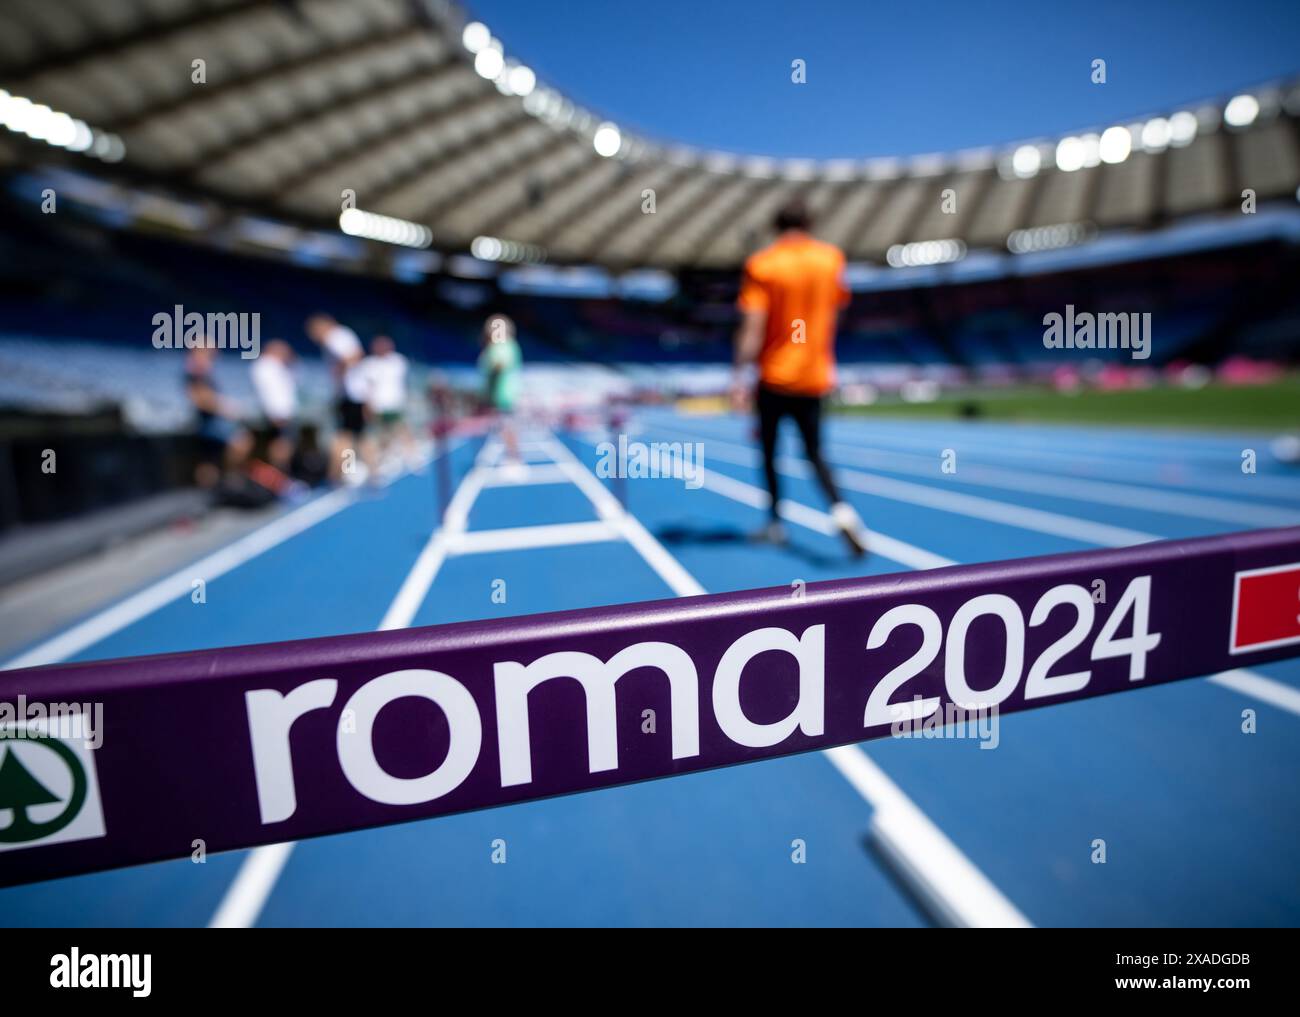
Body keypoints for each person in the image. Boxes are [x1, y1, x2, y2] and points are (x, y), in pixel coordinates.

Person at [731, 198, 869, 556]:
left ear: (776, 226)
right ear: (810, 223)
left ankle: (776, 523)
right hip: (814, 376)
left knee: (769, 453)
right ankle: (842, 512)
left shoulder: (764, 264)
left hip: (775, 377)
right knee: (815, 452)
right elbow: (835, 311)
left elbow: (753, 327)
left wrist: (738, 376)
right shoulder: (830, 259)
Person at [305, 313, 373, 483]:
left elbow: (354, 355)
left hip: (349, 395)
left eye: (314, 332)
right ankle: (371, 473)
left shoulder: (334, 337)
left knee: (344, 436)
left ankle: (339, 474)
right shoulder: (343, 334)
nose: (314, 338)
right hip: (357, 394)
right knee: (359, 435)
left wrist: (339, 372)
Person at [184, 346, 252, 490]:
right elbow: (201, 400)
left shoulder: (204, 372)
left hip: (213, 423)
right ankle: (228, 481)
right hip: (208, 424)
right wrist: (226, 408)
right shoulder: (196, 371)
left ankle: (219, 487)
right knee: (239, 443)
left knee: (209, 461)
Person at [360, 335, 416, 469]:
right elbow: (368, 386)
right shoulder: (369, 364)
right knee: (379, 434)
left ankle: (412, 455)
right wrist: (368, 405)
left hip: (394, 403)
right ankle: (381, 458)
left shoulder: (398, 361)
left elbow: (402, 382)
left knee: (401, 429)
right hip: (378, 405)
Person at [479, 312, 522, 464]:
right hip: (500, 395)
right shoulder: (499, 346)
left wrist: (493, 367)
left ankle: (514, 458)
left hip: (505, 395)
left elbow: (501, 364)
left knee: (507, 427)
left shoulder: (503, 346)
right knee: (503, 427)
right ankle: (512, 456)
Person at [249, 338, 298, 473]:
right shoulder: (266, 366)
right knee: (281, 445)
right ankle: (277, 475)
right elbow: (271, 392)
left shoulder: (274, 366)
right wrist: (278, 414)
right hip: (278, 414)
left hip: (280, 413)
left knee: (281, 444)